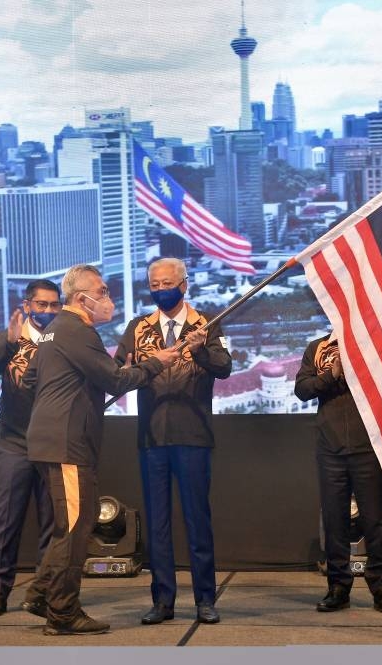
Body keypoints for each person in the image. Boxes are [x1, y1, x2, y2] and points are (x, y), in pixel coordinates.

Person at [25, 264, 178, 636]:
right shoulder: (77, 329)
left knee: (74, 522)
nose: (108, 299)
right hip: (67, 443)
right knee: (75, 528)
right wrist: (156, 362)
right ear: (82, 298)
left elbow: (32, 378)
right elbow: (114, 380)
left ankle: (42, 593)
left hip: (56, 439)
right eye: (103, 291)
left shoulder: (53, 331)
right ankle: (62, 612)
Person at [114, 257, 231, 626]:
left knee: (198, 521)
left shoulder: (206, 324)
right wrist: (129, 369)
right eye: (155, 284)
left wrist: (199, 349)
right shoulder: (137, 327)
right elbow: (119, 372)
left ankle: (205, 600)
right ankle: (162, 600)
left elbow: (224, 367)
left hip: (193, 436)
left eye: (167, 283)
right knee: (157, 524)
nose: (160, 289)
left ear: (184, 285)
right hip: (151, 437)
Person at [294, 333, 382, 614]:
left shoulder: (374, 344)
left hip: (369, 447)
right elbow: (302, 389)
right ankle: (338, 587)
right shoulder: (318, 347)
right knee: (334, 521)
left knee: (375, 521)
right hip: (330, 447)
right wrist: (333, 374)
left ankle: (380, 586)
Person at [0, 280, 61, 618]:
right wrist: (9, 343)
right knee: (6, 523)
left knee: (52, 526)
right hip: (14, 444)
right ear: (27, 305)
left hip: (53, 444)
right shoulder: (11, 336)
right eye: (42, 305)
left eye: (55, 305)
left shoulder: (63, 340)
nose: (48, 311)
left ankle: (42, 592)